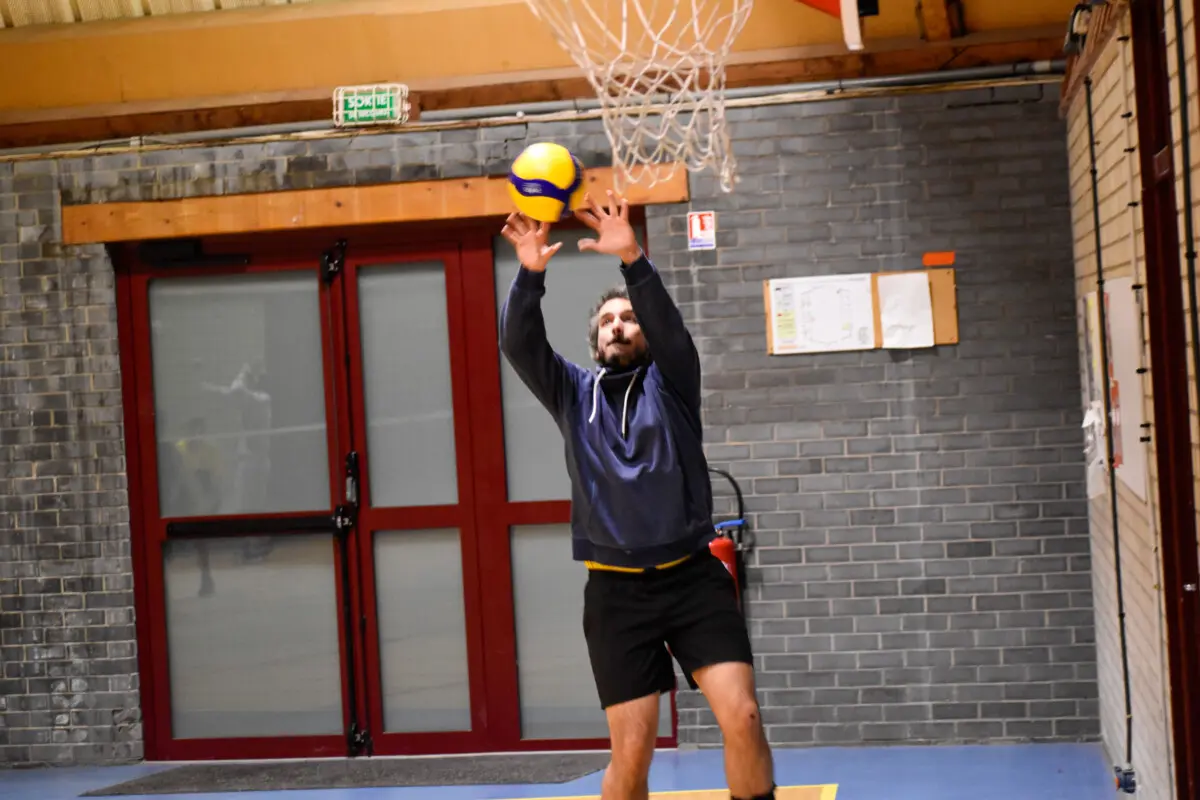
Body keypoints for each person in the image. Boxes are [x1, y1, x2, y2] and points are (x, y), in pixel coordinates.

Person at [499, 190, 777, 800]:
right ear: (595, 341)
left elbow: (672, 332)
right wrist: (529, 274)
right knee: (632, 753)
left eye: (628, 318)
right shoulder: (573, 394)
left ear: (644, 334)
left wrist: (633, 260)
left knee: (744, 716)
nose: (618, 326)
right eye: (607, 322)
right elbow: (519, 345)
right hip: (617, 594)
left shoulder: (672, 384)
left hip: (693, 580)